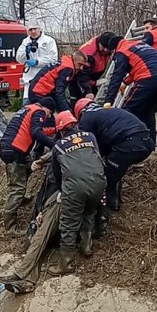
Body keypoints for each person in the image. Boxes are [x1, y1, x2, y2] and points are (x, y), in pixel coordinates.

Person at [48, 111, 106, 276]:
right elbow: (97, 156)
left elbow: (57, 175)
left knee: (69, 223)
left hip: (75, 187)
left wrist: (62, 191)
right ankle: (86, 247)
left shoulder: (58, 146)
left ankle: (65, 264)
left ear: (60, 130)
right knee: (90, 212)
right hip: (99, 181)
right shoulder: (90, 136)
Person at [74, 98, 155, 210]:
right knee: (115, 168)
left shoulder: (87, 117)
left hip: (131, 144)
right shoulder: (107, 113)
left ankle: (105, 207)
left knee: (108, 175)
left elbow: (87, 144)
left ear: (80, 112)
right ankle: (113, 202)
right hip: (146, 143)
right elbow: (104, 143)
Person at [0, 98, 56, 235]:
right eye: (49, 114)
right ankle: (10, 227)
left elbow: (34, 129)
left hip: (8, 147)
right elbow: (36, 132)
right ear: (47, 109)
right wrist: (53, 145)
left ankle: (19, 198)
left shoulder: (27, 108)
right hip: (15, 151)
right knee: (17, 188)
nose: (47, 117)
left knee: (29, 167)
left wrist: (55, 129)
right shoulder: (40, 111)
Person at [104, 35, 157, 144]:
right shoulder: (139, 45)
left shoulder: (122, 51)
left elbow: (116, 77)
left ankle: (122, 141)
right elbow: (141, 67)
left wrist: (108, 101)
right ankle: (150, 142)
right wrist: (125, 83)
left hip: (148, 81)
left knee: (127, 110)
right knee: (147, 110)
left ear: (113, 50)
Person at [16, 23, 59, 104]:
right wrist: (26, 53)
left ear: (40, 29)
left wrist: (37, 62)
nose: (33, 32)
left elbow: (53, 59)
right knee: (26, 106)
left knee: (42, 106)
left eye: (35, 29)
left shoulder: (49, 41)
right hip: (29, 79)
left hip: (43, 79)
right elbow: (19, 59)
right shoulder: (25, 41)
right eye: (30, 30)